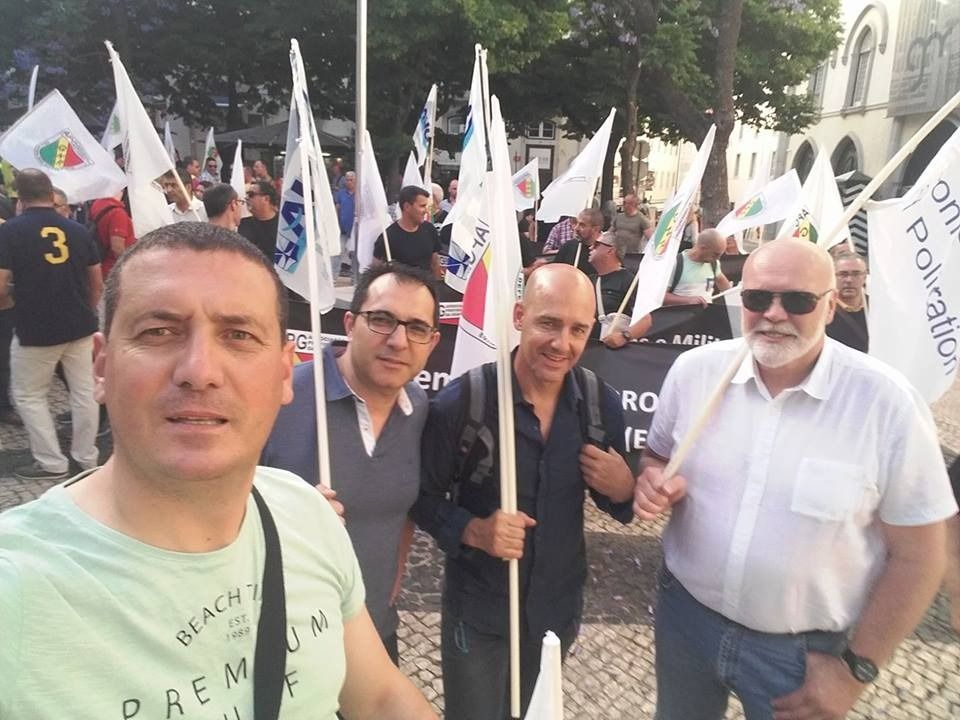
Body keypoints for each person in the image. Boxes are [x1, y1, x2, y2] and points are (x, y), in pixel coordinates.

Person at [0, 221, 438, 719]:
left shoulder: (307, 516)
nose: (199, 370)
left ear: (281, 373)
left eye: (238, 335)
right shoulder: (17, 587)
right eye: (159, 331)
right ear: (100, 366)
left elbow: (380, 697)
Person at [633, 238, 957, 720]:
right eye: (759, 298)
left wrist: (855, 671)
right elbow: (656, 455)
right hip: (685, 622)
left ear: (830, 306)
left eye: (798, 301)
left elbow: (920, 556)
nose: (775, 314)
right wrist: (654, 481)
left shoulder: (887, 403)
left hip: (804, 652)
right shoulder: (694, 372)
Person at [410, 263, 635, 720]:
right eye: (549, 323)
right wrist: (473, 530)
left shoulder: (599, 405)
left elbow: (620, 505)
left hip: (555, 614)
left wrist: (624, 486)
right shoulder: (464, 402)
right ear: (519, 316)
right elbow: (421, 497)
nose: (562, 343)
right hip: (480, 613)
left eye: (578, 329)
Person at [263, 264, 440, 664]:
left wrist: (392, 580)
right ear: (349, 323)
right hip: (284, 648)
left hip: (374, 634)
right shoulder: (279, 399)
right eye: (381, 320)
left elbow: (408, 506)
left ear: (431, 342)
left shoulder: (420, 410)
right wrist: (281, 514)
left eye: (415, 328)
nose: (397, 341)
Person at [0, 169, 102, 480]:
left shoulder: (10, 232)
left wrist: (10, 305)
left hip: (36, 328)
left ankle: (51, 463)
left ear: (20, 197)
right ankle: (87, 457)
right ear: (49, 193)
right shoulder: (77, 229)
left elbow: (1, 284)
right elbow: (96, 280)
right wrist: (87, 307)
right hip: (80, 324)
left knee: (29, 395)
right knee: (85, 392)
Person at [587, 232, 651, 348]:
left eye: (596, 245)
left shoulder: (628, 281)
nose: (591, 247)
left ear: (610, 251)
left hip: (609, 353)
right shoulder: (589, 280)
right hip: (586, 350)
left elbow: (646, 320)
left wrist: (624, 336)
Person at [374, 185, 441, 277]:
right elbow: (375, 272)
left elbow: (435, 264)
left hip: (426, 289)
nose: (426, 211)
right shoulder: (387, 237)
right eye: (422, 206)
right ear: (407, 207)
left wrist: (438, 289)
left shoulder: (429, 230)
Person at [662, 228, 731, 307]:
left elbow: (724, 285)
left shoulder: (714, 264)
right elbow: (660, 297)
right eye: (715, 254)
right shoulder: (675, 263)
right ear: (703, 248)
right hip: (680, 317)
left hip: (706, 316)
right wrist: (687, 300)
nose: (718, 258)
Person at [825, 250, 868, 353]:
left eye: (856, 274)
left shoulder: (877, 307)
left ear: (865, 276)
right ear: (832, 276)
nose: (849, 280)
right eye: (843, 274)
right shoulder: (822, 310)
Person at [89, 191, 136, 280]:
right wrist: (129, 268)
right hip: (114, 270)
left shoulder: (97, 204)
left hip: (101, 265)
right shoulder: (117, 212)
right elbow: (117, 248)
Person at [553, 207, 603, 278]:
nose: (576, 228)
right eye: (576, 223)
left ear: (596, 229)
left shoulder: (606, 252)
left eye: (582, 225)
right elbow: (555, 274)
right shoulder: (568, 247)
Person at [238, 180, 280, 261]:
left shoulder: (283, 225)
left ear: (266, 199)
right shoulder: (241, 224)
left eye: (251, 195)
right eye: (246, 195)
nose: (246, 198)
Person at [334, 170, 357, 277]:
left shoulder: (359, 194)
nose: (349, 182)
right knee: (342, 248)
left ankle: (353, 270)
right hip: (343, 227)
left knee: (353, 249)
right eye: (347, 180)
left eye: (351, 180)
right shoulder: (341, 193)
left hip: (355, 227)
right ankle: (344, 268)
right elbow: (337, 207)